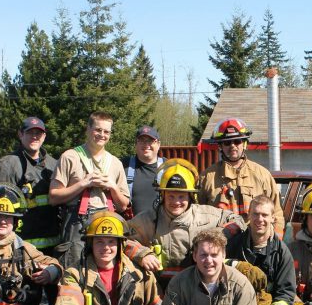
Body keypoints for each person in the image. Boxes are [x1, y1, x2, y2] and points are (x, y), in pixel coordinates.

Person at [125, 158, 245, 293]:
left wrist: (216, 236)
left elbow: (237, 220)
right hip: (161, 290)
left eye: (181, 196)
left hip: (198, 290)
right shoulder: (148, 219)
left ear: (190, 196)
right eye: (171, 196)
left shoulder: (205, 215)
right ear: (162, 195)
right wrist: (142, 254)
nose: (176, 202)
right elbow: (121, 238)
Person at [0, 116, 60, 305]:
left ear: (44, 136)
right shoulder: (8, 165)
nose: (34, 136)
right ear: (21, 134)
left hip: (53, 250)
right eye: (30, 132)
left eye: (39, 133)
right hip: (21, 250)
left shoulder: (55, 165)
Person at [49, 111, 130, 268]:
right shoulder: (70, 157)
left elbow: (123, 205)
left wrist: (113, 187)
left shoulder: (115, 163)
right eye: (98, 130)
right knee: (73, 270)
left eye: (106, 131)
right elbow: (53, 197)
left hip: (106, 223)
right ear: (88, 129)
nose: (102, 135)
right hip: (76, 224)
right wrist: (83, 183)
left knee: (103, 271)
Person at [226, 195, 297, 305]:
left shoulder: (282, 253)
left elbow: (286, 294)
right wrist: (236, 265)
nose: (260, 219)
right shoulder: (234, 244)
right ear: (248, 216)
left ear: (273, 218)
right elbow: (214, 264)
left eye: (265, 215)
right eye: (255, 214)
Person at [198, 117, 285, 236]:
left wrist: (274, 245)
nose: (233, 146)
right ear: (220, 146)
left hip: (254, 245)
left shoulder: (262, 175)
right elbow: (197, 215)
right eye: (227, 143)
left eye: (237, 141)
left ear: (244, 144)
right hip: (219, 247)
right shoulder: (207, 178)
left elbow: (277, 213)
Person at [122, 125, 164, 218]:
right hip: (131, 228)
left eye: (150, 140)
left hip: (161, 229)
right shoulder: (123, 165)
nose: (146, 144)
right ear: (136, 144)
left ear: (158, 144)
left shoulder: (169, 167)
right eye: (141, 140)